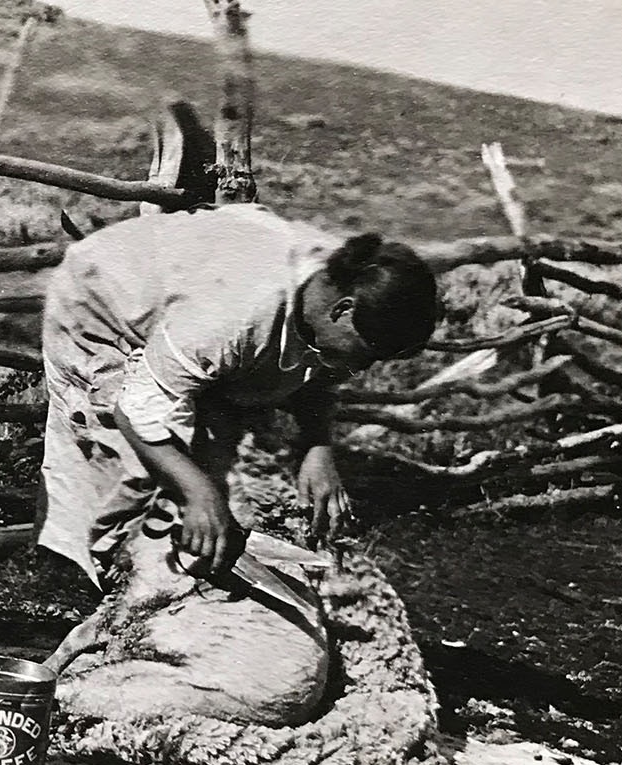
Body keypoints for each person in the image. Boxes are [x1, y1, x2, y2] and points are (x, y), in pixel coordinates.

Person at [35, 204, 439, 723]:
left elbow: (321, 371)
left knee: (206, 461)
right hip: (108, 305)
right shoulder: (235, 311)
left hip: (193, 304)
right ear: (341, 310)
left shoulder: (328, 290)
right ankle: (118, 615)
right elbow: (137, 408)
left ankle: (182, 591)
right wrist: (199, 494)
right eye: (365, 352)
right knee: (133, 476)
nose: (363, 368)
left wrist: (317, 447)